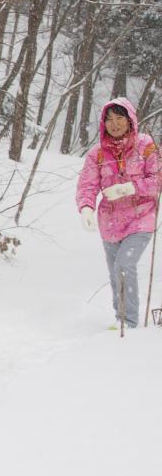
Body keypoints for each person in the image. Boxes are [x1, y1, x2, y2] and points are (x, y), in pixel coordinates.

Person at [76, 97, 161, 329]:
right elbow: (88, 185)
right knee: (115, 272)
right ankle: (120, 317)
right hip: (110, 223)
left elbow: (157, 180)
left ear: (130, 119)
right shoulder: (98, 154)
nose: (114, 124)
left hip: (141, 218)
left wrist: (131, 188)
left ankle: (128, 321)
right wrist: (86, 207)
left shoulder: (146, 146)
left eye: (119, 118)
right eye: (109, 120)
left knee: (124, 265)